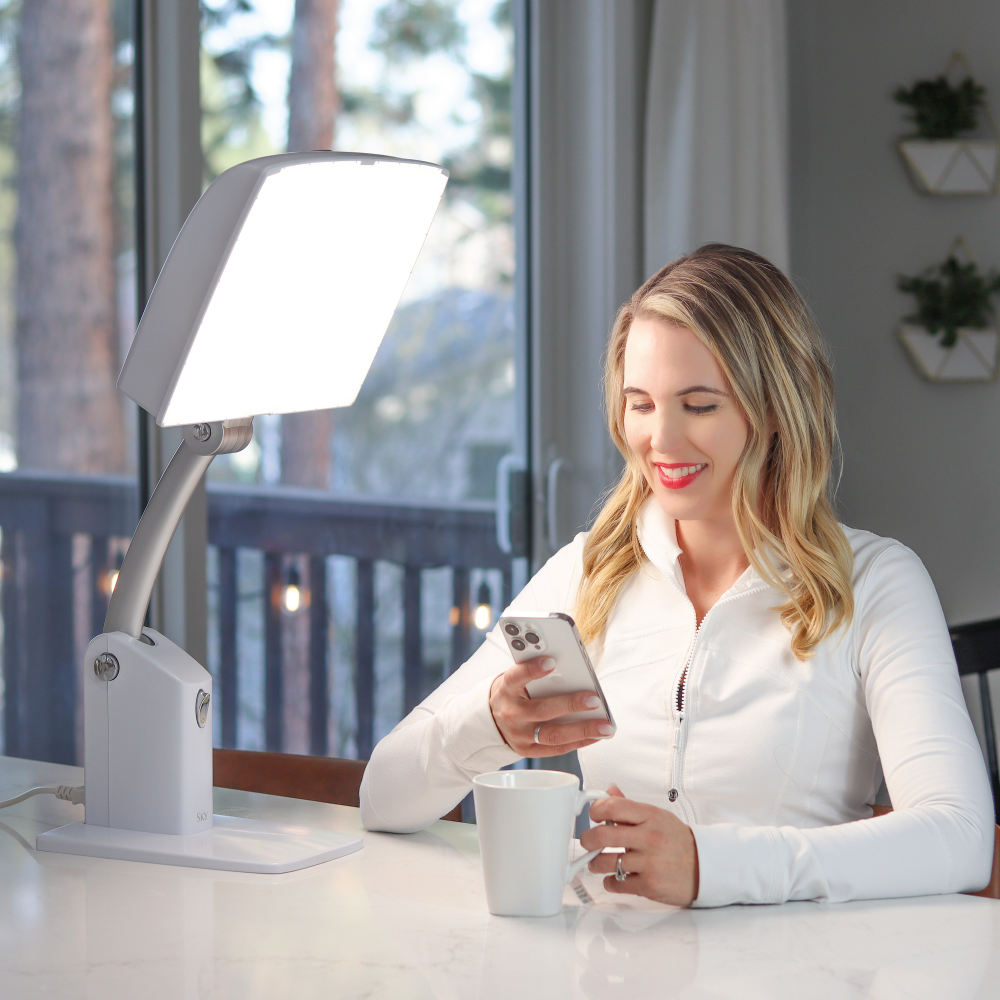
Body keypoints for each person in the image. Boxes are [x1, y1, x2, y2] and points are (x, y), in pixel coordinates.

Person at [360, 243, 994, 907]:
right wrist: (487, 723)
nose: (660, 440)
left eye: (699, 405)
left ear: (774, 410)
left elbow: (960, 836)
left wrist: (709, 865)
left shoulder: (874, 583)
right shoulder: (588, 571)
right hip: (608, 970)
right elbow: (383, 797)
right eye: (640, 403)